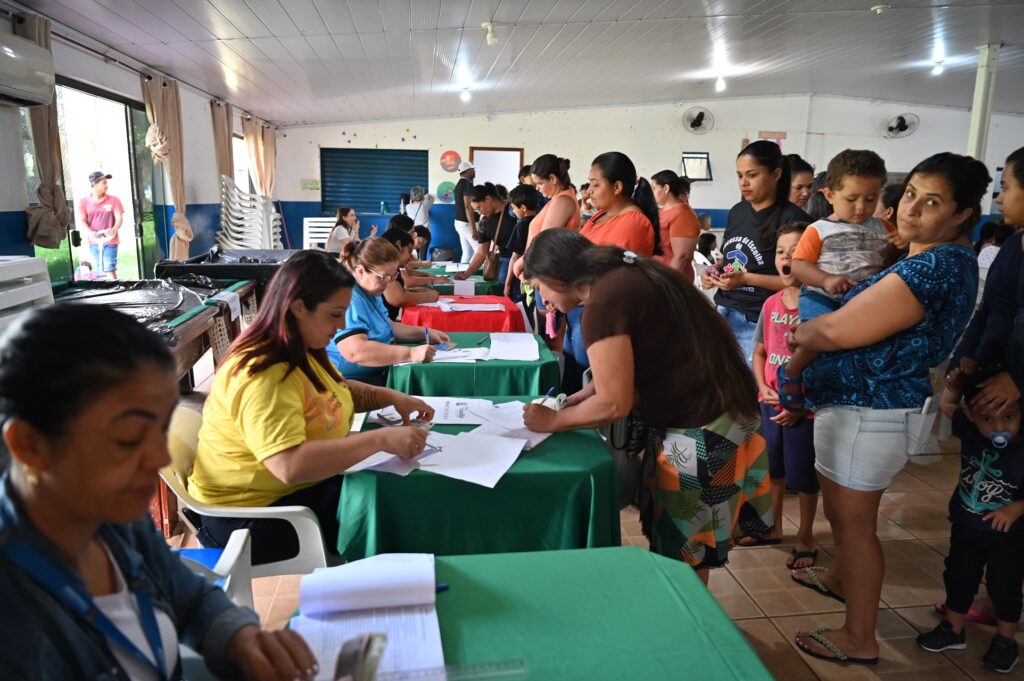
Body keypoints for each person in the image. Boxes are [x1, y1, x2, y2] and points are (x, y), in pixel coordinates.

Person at [0, 304, 320, 680]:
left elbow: (190, 598)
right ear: (30, 445)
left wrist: (241, 637)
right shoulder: (14, 620)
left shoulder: (113, 519)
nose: (160, 456)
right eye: (128, 438)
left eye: (162, 428)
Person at [784, 152, 990, 667]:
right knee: (846, 514)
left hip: (871, 413)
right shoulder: (931, 258)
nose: (911, 208)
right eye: (911, 193)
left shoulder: (935, 266)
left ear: (964, 213)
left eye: (933, 201)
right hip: (864, 409)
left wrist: (802, 334)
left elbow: (835, 330)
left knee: (854, 525)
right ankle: (838, 578)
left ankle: (859, 637)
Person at [520, 229, 772, 584]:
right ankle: (691, 624)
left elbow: (614, 403)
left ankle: (691, 632)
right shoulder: (625, 274)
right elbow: (648, 350)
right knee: (684, 547)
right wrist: (585, 393)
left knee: (684, 556)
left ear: (552, 277)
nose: (542, 299)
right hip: (722, 415)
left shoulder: (602, 305)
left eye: (539, 287)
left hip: (701, 428)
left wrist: (555, 420)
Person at [189, 251, 433, 565]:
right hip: (252, 516)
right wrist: (379, 440)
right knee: (392, 514)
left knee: (390, 495)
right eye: (334, 314)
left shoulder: (301, 347)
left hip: (294, 493)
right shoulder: (263, 373)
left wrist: (389, 396)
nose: (343, 324)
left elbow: (336, 390)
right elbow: (288, 466)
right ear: (298, 307)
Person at [914, 370, 1022, 673]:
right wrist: (955, 387)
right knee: (959, 578)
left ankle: (1005, 640)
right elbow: (947, 407)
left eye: (1009, 417)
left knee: (1005, 587)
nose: (999, 427)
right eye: (987, 419)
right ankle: (953, 628)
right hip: (967, 527)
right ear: (972, 417)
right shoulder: (972, 433)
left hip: (1009, 535)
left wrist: (1016, 508)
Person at [744, 222, 819, 569]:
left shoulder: (817, 306)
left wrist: (800, 404)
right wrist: (761, 386)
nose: (787, 258)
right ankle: (771, 526)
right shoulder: (771, 303)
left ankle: (805, 535)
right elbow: (760, 352)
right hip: (769, 404)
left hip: (803, 411)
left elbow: (823, 362)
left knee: (803, 477)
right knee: (773, 470)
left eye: (795, 251)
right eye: (780, 252)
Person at [701, 140, 811, 364]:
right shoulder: (738, 212)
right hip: (724, 310)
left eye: (752, 174)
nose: (744, 182)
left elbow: (798, 282)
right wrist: (713, 270)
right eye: (740, 175)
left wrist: (746, 279)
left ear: (776, 174)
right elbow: (729, 259)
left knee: (750, 390)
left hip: (758, 320)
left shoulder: (794, 220)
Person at [947, 147, 1024, 429]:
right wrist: (962, 363)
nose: (1000, 198)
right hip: (990, 378)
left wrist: (1019, 379)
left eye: (1006, 187)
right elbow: (990, 308)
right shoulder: (1013, 245)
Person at [789, 149, 898, 326]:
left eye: (871, 199)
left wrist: (903, 244)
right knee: (817, 336)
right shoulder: (818, 229)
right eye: (851, 199)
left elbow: (894, 261)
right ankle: (802, 350)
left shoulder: (884, 227)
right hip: (822, 299)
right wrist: (826, 279)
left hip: (865, 301)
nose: (861, 207)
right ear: (830, 195)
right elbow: (799, 266)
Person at [327, 238, 450, 386]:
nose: (389, 282)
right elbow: (355, 351)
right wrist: (410, 353)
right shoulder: (349, 298)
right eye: (384, 277)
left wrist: (425, 332)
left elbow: (388, 326)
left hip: (377, 370)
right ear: (360, 271)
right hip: (353, 381)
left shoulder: (371, 290)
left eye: (393, 276)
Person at [581, 152, 659, 256]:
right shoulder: (602, 214)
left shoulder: (633, 223)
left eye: (595, 184)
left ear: (617, 187)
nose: (589, 190)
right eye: (590, 183)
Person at [454, 183, 513, 283]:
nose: (479, 212)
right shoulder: (485, 222)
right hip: (505, 260)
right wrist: (466, 274)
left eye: (479, 207)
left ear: (488, 199)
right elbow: (481, 252)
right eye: (476, 210)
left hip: (524, 259)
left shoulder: (513, 210)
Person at [379, 226, 440, 320]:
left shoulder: (392, 264)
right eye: (409, 250)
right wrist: (429, 296)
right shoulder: (384, 264)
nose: (409, 257)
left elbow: (400, 290)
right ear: (399, 245)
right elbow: (398, 298)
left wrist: (415, 291)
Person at [651, 169, 700, 277]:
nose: (652, 192)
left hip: (671, 279)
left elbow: (681, 257)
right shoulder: (661, 211)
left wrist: (668, 283)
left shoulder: (683, 214)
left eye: (654, 188)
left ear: (666, 188)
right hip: (656, 274)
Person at [77, 171, 123, 280]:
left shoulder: (114, 200)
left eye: (106, 183)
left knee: (109, 268)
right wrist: (90, 233)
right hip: (95, 241)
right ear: (94, 184)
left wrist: (114, 229)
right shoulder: (84, 201)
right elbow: (82, 220)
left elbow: (119, 218)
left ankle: (115, 290)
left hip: (110, 240)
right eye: (104, 183)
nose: (106, 186)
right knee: (99, 269)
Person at [504, 184, 540, 302]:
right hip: (537, 275)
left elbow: (515, 257)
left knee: (523, 309)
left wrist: (507, 283)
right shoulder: (541, 221)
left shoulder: (521, 226)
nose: (513, 211)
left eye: (514, 208)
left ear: (523, 208)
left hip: (521, 278)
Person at [453, 161, 478, 264]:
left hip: (459, 223)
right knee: (479, 251)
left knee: (468, 253)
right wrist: (473, 229)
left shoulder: (459, 184)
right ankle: (472, 274)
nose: (474, 171)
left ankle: (462, 276)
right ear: (467, 171)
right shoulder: (467, 185)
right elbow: (468, 207)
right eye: (472, 169)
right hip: (467, 224)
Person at [693, 232, 719, 302]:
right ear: (708, 244)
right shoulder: (705, 258)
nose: (716, 244)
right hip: (708, 288)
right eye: (714, 242)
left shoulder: (706, 255)